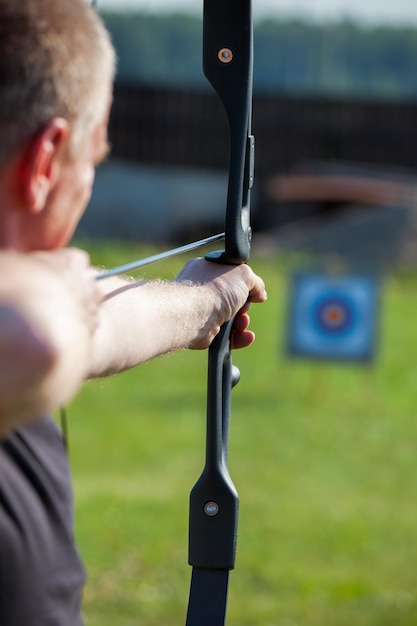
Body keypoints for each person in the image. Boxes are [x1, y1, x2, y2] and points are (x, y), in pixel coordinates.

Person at [0, 1, 267, 624]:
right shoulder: (28, 327)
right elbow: (37, 337)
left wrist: (202, 302)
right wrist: (61, 291)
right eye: (90, 164)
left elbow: (94, 324)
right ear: (46, 162)